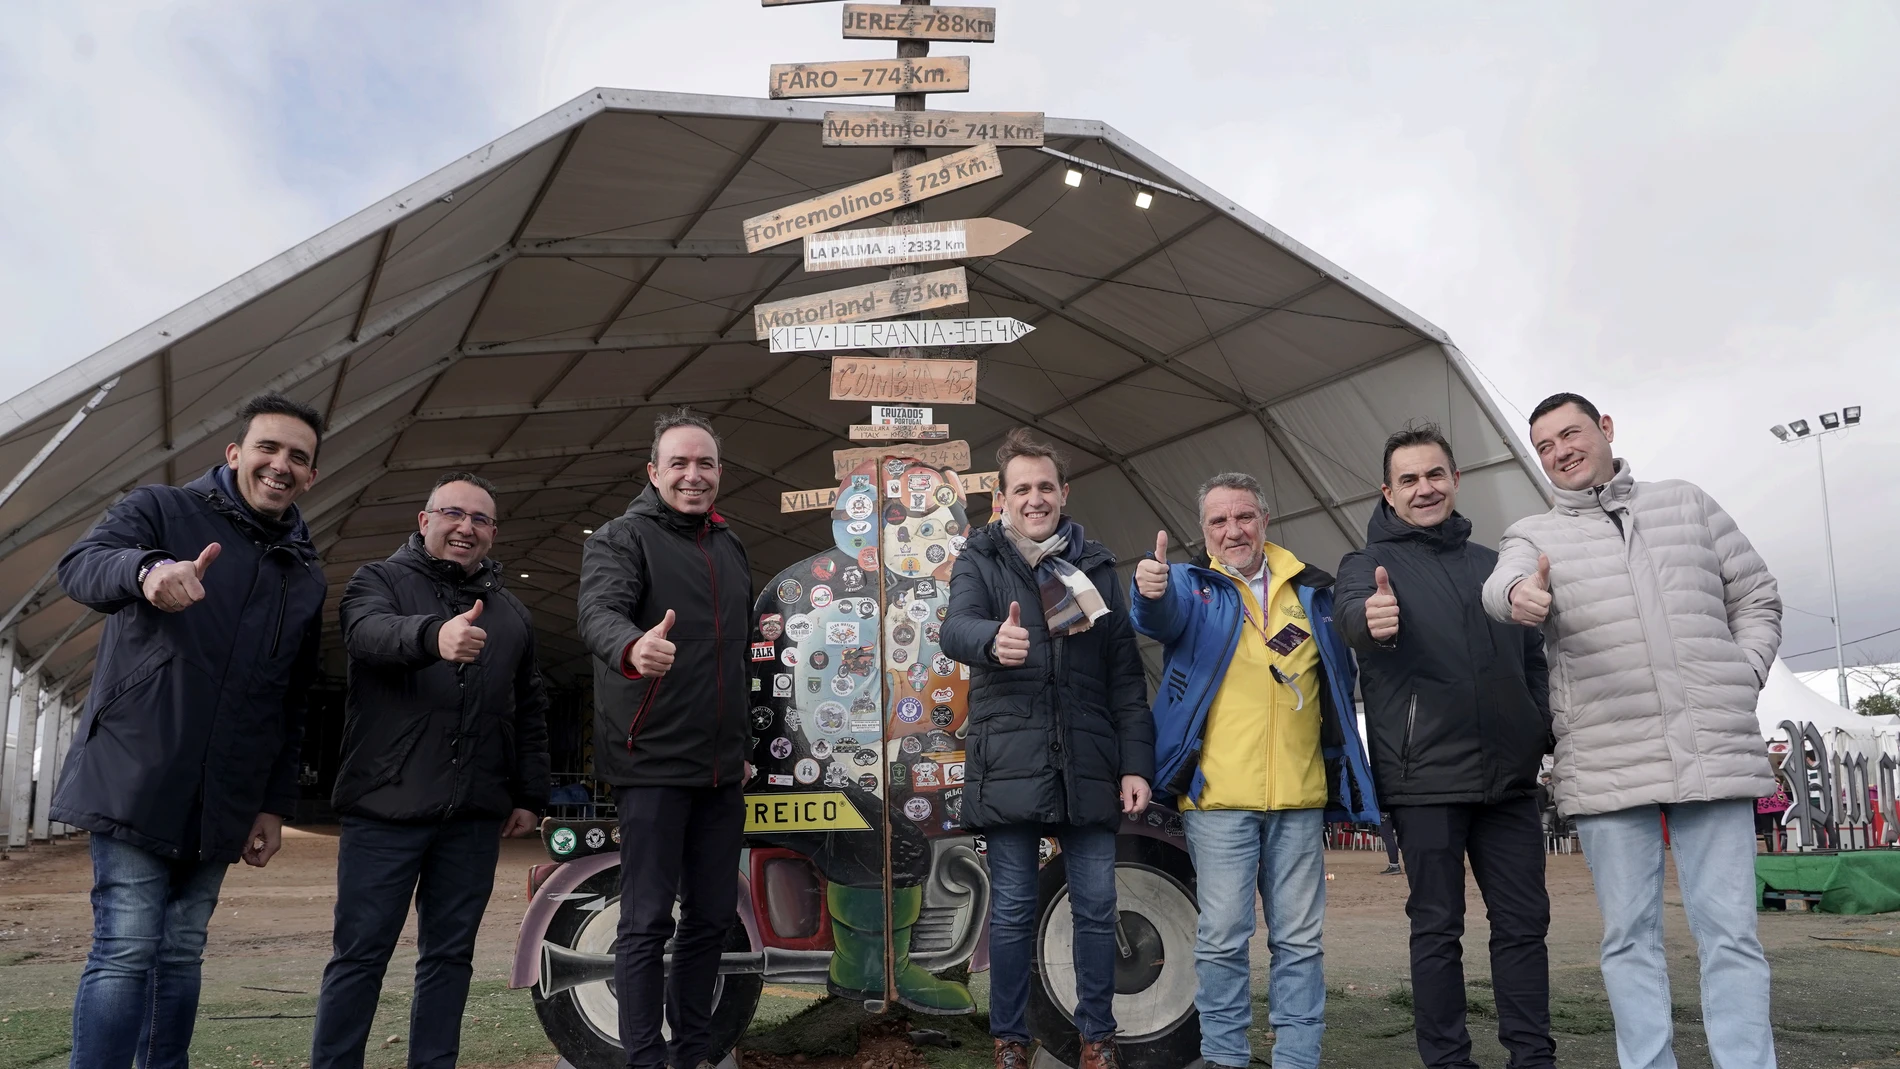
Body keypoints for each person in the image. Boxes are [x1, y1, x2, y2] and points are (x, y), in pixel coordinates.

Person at [1482, 393, 1782, 1069]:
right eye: (1545, 446)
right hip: (1607, 761)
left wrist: (1742, 676)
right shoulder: (1532, 534)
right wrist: (1518, 596)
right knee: (1628, 939)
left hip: (1712, 753)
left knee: (1732, 935)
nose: (1560, 451)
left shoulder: (1687, 503)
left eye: (1570, 433)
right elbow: (1500, 586)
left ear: (1606, 428)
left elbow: (1757, 595)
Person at [50, 393, 326, 1068]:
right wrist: (146, 571)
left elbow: (291, 699)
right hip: (136, 772)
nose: (280, 465)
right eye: (267, 447)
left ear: (311, 476)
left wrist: (272, 803)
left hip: (224, 794)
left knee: (180, 950)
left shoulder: (303, 574)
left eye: (298, 457)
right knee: (126, 946)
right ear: (235, 453)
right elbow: (80, 565)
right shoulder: (161, 510)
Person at [1131, 472, 1378, 1069]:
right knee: (1222, 941)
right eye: (1218, 521)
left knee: (1300, 942)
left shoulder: (1311, 589)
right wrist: (1150, 592)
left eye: (1244, 517)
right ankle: (1224, 1057)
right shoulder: (1190, 586)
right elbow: (1157, 618)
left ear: (1265, 520)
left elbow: (1341, 683)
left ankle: (1298, 1058)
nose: (1233, 530)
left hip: (1299, 798)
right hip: (1218, 800)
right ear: (1204, 531)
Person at [310, 471, 550, 1068]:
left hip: (471, 816)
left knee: (449, 957)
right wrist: (433, 636)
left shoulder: (512, 614)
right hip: (384, 805)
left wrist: (529, 793)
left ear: (493, 533)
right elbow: (367, 635)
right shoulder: (378, 581)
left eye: (481, 519)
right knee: (360, 954)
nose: (466, 527)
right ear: (424, 521)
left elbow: (528, 709)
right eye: (453, 514)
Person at [1335, 422, 1556, 1069]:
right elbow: (1352, 616)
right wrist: (1369, 619)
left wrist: (1538, 727)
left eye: (1435, 474)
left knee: (1524, 927)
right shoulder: (1365, 566)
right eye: (1408, 479)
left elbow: (1533, 661)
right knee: (1437, 929)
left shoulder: (1495, 566)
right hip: (1424, 780)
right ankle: (1449, 1061)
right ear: (1388, 492)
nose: (1424, 488)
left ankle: (1532, 1058)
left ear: (1455, 480)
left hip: (1510, 783)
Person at [941, 429, 1154, 1069]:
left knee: (1096, 908)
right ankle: (1010, 1039)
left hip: (1087, 765)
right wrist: (990, 640)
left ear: (1064, 492)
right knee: (1012, 909)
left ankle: (1097, 1039)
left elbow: (1124, 677)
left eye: (1044, 487)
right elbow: (955, 627)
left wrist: (1135, 764)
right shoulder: (978, 559)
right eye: (1021, 489)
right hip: (1011, 763)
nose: (1034, 499)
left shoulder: (1097, 569)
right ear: (1001, 500)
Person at [578, 411, 752, 1069]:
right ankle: (645, 1059)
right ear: (654, 472)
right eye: (679, 463)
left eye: (705, 463)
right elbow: (599, 611)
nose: (692, 475)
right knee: (647, 920)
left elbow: (739, 658)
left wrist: (742, 748)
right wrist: (631, 646)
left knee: (711, 918)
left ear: (719, 473)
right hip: (651, 760)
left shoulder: (730, 547)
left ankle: (693, 1053)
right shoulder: (622, 538)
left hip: (719, 770)